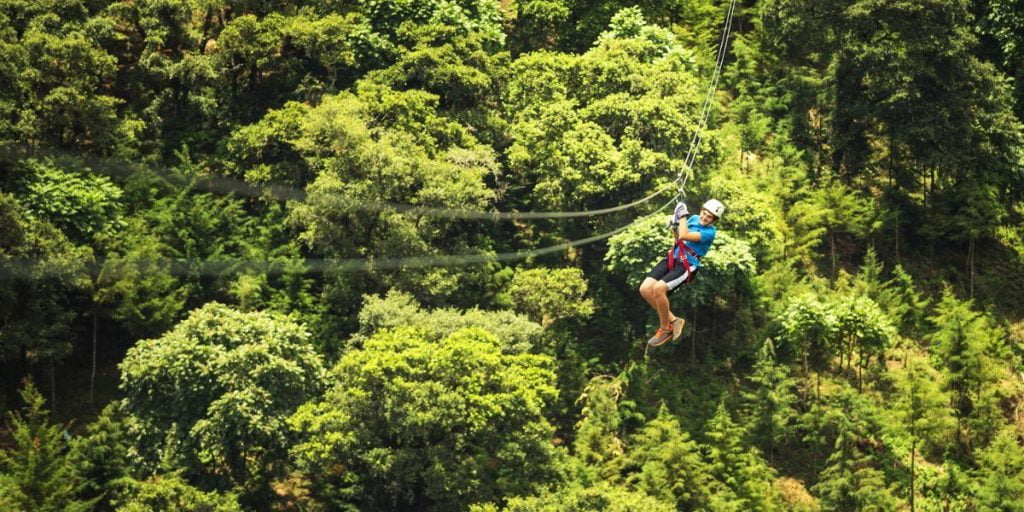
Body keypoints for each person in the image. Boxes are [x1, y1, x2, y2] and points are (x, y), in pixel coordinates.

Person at [639, 198, 724, 347]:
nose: (704, 217)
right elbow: (679, 237)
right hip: (674, 257)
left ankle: (665, 329)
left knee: (659, 289)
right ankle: (674, 320)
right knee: (645, 289)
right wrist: (674, 226)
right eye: (704, 213)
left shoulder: (710, 232)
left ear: (714, 220)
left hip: (686, 265)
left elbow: (685, 235)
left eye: (709, 217)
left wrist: (681, 215)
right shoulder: (694, 219)